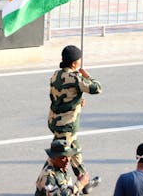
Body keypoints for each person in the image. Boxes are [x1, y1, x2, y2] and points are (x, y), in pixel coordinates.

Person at [48, 45, 102, 189]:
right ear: (74, 63)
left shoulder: (55, 75)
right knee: (61, 154)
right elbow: (97, 88)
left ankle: (84, 180)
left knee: (74, 149)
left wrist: (77, 101)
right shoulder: (76, 78)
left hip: (55, 121)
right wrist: (86, 75)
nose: (80, 62)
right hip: (66, 124)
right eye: (79, 60)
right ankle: (54, 184)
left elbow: (58, 98)